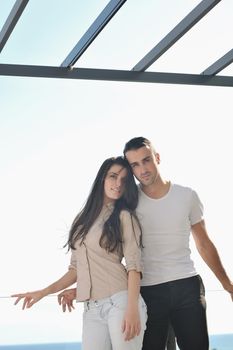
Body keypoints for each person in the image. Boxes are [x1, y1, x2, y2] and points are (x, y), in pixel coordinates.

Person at [12, 156, 148, 350]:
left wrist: (132, 308)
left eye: (124, 180)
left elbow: (134, 267)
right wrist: (43, 292)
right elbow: (76, 269)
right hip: (91, 309)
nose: (118, 184)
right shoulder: (82, 220)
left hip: (121, 303)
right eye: (113, 176)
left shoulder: (124, 216)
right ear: (102, 178)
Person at [122, 136, 233, 350]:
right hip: (148, 291)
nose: (142, 169)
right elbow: (113, 251)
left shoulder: (187, 195)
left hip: (186, 286)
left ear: (157, 158)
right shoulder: (129, 202)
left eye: (146, 160)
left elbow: (204, 244)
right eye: (135, 165)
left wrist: (227, 285)